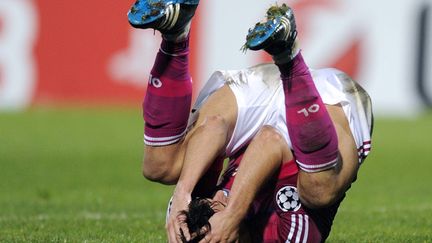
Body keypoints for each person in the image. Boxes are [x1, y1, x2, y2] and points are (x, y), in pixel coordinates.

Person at [127, 0, 373, 242]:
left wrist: (183, 191)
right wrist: (232, 213)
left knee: (159, 166)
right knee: (319, 191)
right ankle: (289, 57)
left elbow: (214, 125)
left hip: (261, 92)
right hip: (321, 107)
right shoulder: (282, 236)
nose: (218, 199)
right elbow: (270, 139)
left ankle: (175, 36)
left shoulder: (193, 213)